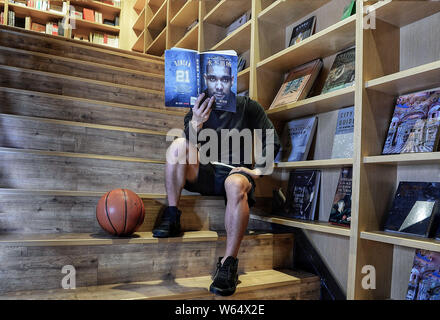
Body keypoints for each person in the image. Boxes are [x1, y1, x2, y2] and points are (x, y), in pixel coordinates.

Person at [153, 62, 280, 297]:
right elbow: (187, 146)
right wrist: (196, 123)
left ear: (232, 81)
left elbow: (271, 138)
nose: (219, 85)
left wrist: (260, 170)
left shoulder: (247, 106)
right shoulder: (197, 107)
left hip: (235, 173)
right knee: (178, 144)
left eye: (224, 79)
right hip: (206, 172)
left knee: (235, 184)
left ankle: (229, 263)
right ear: (205, 80)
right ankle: (172, 215)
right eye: (213, 79)